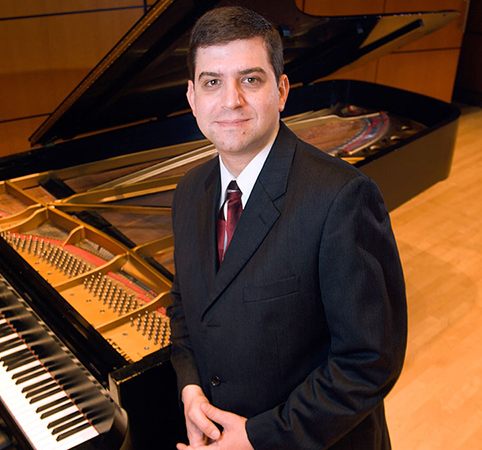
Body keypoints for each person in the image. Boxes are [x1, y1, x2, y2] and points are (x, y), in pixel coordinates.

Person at [166, 6, 408, 450]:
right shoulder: (188, 191)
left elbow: (369, 362)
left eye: (250, 79)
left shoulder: (342, 198)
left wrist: (259, 437)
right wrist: (189, 388)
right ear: (191, 97)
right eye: (212, 82)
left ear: (280, 91)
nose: (230, 100)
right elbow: (184, 307)